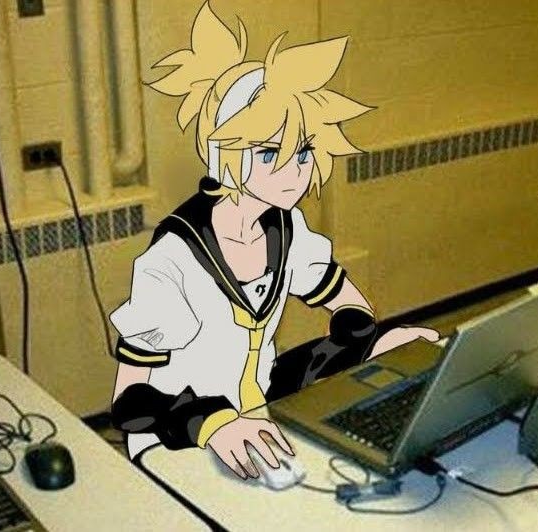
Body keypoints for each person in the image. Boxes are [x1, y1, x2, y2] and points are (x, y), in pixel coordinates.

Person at [109, 1, 440, 481]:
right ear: (225, 154)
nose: (294, 171)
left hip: (259, 408)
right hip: (180, 433)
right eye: (270, 154)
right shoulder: (174, 259)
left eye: (303, 152)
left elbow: (348, 304)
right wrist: (211, 424)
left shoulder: (287, 229)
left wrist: (376, 343)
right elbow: (129, 401)